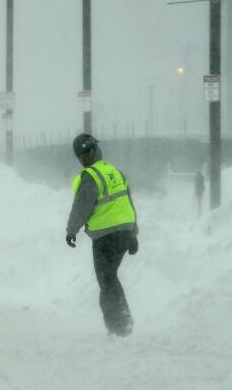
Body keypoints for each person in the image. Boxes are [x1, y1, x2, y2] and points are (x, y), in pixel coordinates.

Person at [65, 133, 139, 336]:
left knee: (106, 281)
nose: (83, 160)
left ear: (94, 151)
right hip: (123, 233)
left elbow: (81, 206)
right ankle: (121, 323)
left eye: (85, 155)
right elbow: (127, 204)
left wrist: (71, 230)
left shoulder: (91, 176)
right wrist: (132, 233)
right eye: (79, 157)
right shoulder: (116, 172)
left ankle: (120, 326)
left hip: (106, 237)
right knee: (110, 278)